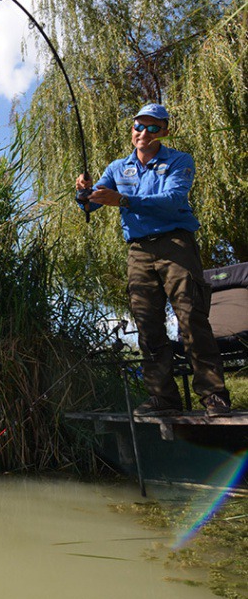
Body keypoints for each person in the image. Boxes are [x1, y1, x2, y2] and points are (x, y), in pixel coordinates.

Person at [75, 103, 231, 418]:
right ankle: (163, 398)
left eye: (153, 127)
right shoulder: (118, 167)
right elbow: (91, 206)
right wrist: (83, 193)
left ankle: (214, 396)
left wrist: (123, 200)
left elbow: (173, 201)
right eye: (139, 126)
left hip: (176, 243)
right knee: (147, 324)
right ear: (132, 129)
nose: (143, 133)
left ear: (165, 131)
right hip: (138, 250)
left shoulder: (179, 160)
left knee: (191, 318)